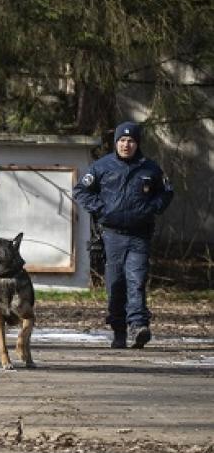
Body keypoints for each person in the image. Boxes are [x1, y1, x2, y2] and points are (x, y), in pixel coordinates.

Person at [73, 121, 173, 349]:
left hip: (139, 236)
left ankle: (139, 327)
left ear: (137, 144)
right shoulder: (102, 167)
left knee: (136, 281)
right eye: (122, 140)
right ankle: (119, 330)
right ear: (116, 143)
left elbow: (166, 192)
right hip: (112, 236)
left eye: (130, 141)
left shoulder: (150, 168)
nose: (126, 145)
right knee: (116, 283)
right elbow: (81, 191)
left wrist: (152, 209)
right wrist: (101, 209)